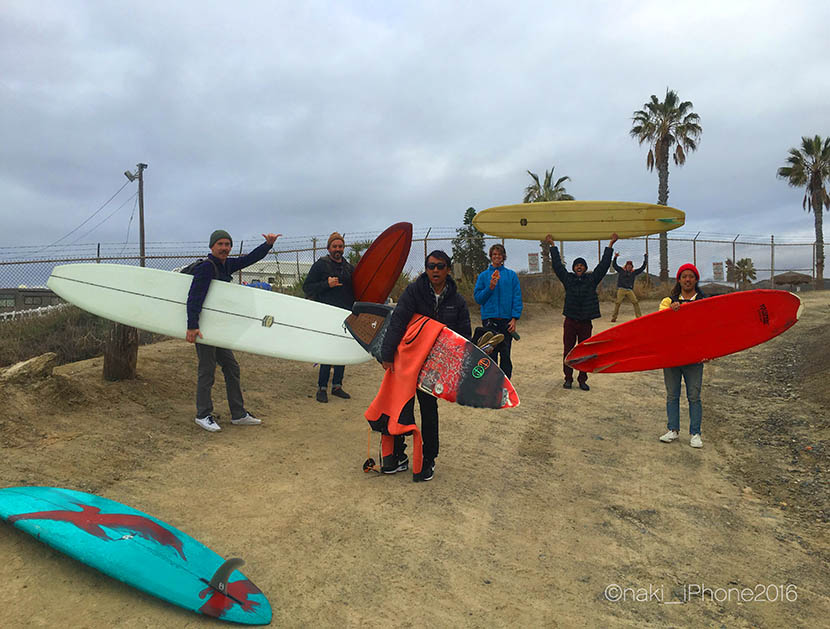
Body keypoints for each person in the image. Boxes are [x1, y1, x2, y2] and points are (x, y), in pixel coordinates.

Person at [379, 250, 471, 482]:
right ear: (426, 269)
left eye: (440, 266)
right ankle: (396, 455)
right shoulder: (414, 292)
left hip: (434, 368)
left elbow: (463, 337)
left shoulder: (457, 301)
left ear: (448, 269)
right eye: (431, 266)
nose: (436, 270)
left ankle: (428, 457)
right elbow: (397, 321)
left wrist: (459, 368)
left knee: (429, 410)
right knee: (401, 407)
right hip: (408, 361)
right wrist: (387, 354)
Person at [187, 229, 281, 432]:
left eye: (227, 244)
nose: (224, 248)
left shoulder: (226, 264)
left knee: (231, 368)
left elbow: (249, 259)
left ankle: (238, 414)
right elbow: (194, 297)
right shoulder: (207, 268)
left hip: (218, 329)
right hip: (204, 328)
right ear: (212, 246)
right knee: (207, 371)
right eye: (220, 244)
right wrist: (192, 326)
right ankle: (203, 414)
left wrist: (268, 245)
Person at [545, 233, 618, 391]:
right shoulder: (568, 279)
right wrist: (552, 246)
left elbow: (603, 266)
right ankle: (568, 378)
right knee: (568, 350)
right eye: (577, 265)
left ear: (585, 268)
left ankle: (582, 379)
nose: (579, 267)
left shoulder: (591, 280)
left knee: (585, 351)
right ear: (573, 268)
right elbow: (557, 266)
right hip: (570, 321)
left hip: (585, 322)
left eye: (582, 265)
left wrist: (610, 245)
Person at [658, 263, 707, 448]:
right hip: (672, 354)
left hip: (694, 356)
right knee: (672, 395)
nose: (687, 279)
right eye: (684, 276)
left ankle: (695, 433)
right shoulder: (667, 302)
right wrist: (672, 312)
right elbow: (660, 324)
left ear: (696, 280)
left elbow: (710, 329)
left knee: (694, 396)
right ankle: (673, 430)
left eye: (691, 276)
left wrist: (709, 352)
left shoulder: (704, 302)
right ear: (679, 280)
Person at [303, 232, 355, 403]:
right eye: (335, 246)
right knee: (327, 351)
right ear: (329, 248)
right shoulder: (321, 265)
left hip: (345, 314)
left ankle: (337, 386)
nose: (338, 249)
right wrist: (327, 284)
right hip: (326, 314)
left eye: (340, 246)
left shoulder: (349, 268)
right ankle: (322, 388)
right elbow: (307, 287)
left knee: (342, 350)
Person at [473, 243, 523, 378]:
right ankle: (490, 383)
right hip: (490, 320)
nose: (497, 257)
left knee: (506, 353)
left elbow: (517, 297)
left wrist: (514, 318)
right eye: (494, 254)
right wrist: (490, 288)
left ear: (503, 257)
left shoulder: (511, 276)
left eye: (499, 254)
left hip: (506, 321)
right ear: (491, 256)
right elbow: (478, 298)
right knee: (490, 354)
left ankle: (505, 383)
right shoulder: (483, 276)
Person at [610, 252, 648, 321]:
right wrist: (615, 257)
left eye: (630, 266)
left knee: (635, 302)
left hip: (629, 290)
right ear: (626, 266)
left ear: (632, 267)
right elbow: (614, 265)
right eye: (628, 265)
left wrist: (646, 258)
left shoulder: (633, 272)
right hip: (621, 289)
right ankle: (614, 317)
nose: (629, 267)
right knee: (618, 303)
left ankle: (639, 317)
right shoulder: (621, 270)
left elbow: (642, 268)